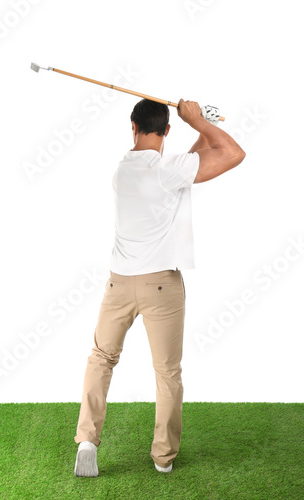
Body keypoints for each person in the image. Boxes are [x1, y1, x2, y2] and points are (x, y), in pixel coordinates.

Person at [73, 99, 246, 477]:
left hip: (118, 283)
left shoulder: (123, 171)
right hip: (162, 287)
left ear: (132, 127)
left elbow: (184, 166)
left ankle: (87, 440)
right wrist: (199, 122)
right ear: (168, 130)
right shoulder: (170, 169)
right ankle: (163, 458)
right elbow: (233, 153)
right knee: (167, 372)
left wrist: (200, 126)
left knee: (101, 358)